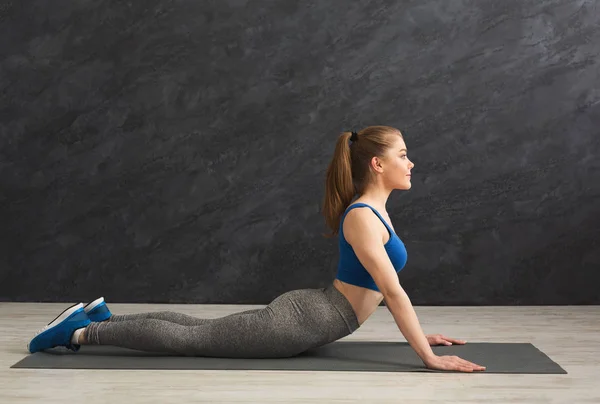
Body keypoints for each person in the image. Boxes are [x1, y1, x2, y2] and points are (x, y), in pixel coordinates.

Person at [27, 125, 485, 373]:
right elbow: (394, 291)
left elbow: (376, 288)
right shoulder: (364, 217)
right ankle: (77, 334)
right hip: (304, 322)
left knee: (196, 328)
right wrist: (426, 355)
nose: (411, 162)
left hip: (313, 312)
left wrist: (421, 335)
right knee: (193, 339)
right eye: (403, 154)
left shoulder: (373, 213)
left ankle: (99, 318)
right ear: (377, 163)